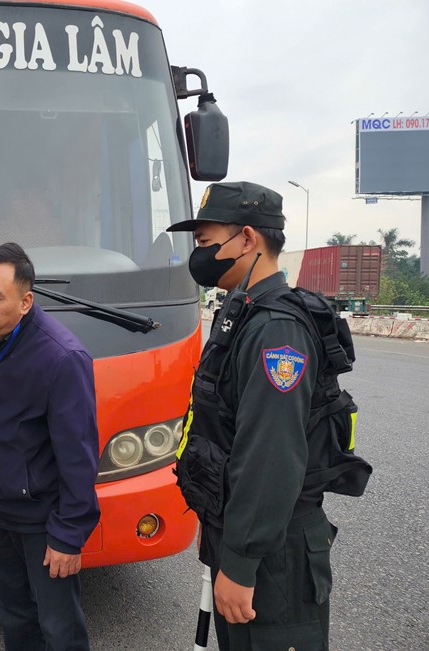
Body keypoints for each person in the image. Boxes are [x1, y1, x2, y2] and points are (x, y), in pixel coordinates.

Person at [168, 182, 341, 650]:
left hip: (273, 556)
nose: (200, 255)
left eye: (206, 242)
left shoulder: (275, 330)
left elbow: (271, 457)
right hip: (250, 537)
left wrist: (241, 563)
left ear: (247, 239)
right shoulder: (243, 312)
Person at [0, 242, 100, 651]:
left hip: (43, 520)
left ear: (25, 302)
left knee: (59, 628)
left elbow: (79, 458)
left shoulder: (62, 359)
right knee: (14, 618)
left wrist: (68, 536)